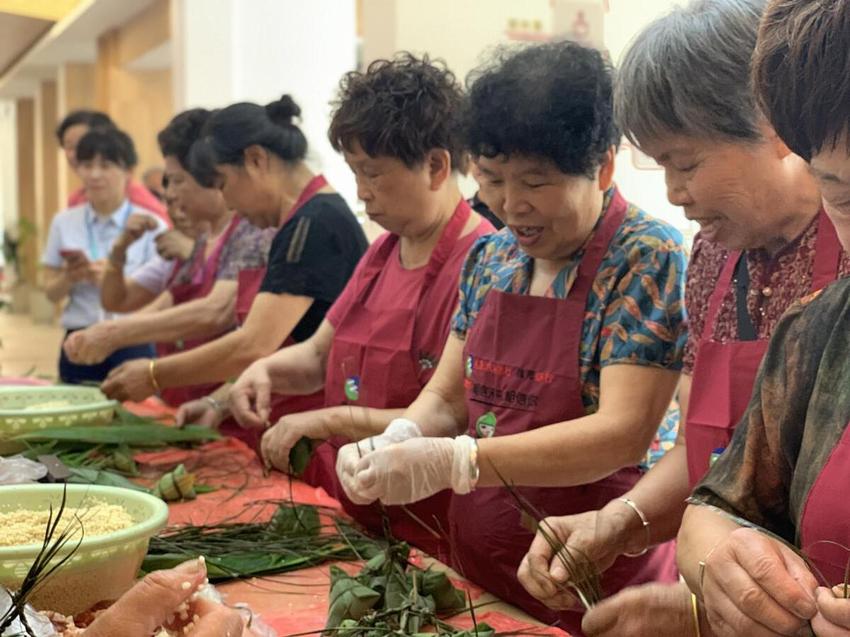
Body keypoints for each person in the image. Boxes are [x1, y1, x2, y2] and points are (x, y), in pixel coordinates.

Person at [514, 2, 849, 635]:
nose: (672, 193)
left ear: (771, 129)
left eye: (686, 163)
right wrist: (623, 520)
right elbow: (711, 455)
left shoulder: (836, 279)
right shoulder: (711, 261)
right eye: (659, 165)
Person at [334, 41, 688, 634]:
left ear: (602, 166)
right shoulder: (490, 257)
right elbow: (447, 398)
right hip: (482, 567)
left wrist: (461, 460)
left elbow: (623, 433)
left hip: (588, 574)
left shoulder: (646, 256)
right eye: (493, 180)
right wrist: (399, 438)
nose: (511, 205)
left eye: (535, 182)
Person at [226, 54, 493, 560]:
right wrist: (263, 370)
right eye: (354, 172)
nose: (361, 192)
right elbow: (316, 357)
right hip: (351, 512)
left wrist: (327, 421)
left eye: (372, 173)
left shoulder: (482, 262)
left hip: (429, 533)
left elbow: (445, 417)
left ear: (436, 166)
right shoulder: (381, 251)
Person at [676, 2, 850, 636]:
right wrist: (722, 564)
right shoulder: (817, 333)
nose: (674, 191)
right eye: (842, 195)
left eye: (687, 162)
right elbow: (714, 507)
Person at [100, 96, 368, 447]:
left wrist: (153, 374)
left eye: (223, 183)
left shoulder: (312, 225)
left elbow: (253, 344)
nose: (227, 203)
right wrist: (220, 400)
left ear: (256, 160)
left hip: (312, 424)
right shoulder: (302, 222)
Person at [64, 109, 271, 407]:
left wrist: (114, 335)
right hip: (187, 403)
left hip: (225, 407)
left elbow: (216, 311)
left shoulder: (252, 232)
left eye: (177, 181)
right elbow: (149, 302)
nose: (171, 195)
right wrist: (103, 333)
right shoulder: (203, 241)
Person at [42, 126, 167, 384]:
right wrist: (69, 277)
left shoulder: (151, 225)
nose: (95, 174)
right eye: (87, 165)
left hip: (133, 338)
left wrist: (113, 280)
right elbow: (50, 292)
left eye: (106, 165)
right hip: (78, 338)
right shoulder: (63, 222)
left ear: (128, 172)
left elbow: (165, 291)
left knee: (139, 418)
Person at [56, 110, 169, 224]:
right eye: (69, 147)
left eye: (83, 145)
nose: (75, 154)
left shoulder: (142, 205)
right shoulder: (75, 200)